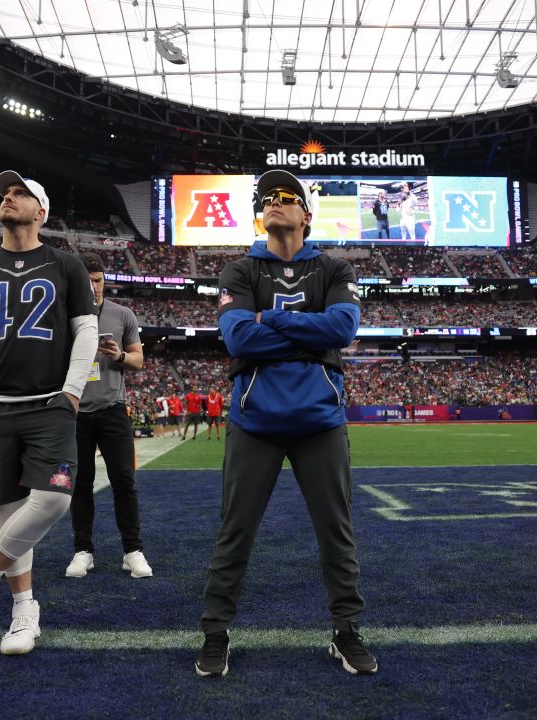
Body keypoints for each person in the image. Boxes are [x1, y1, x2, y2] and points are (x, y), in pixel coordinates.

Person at [196, 170, 376, 677]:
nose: (274, 203)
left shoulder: (335, 268)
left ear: (306, 214)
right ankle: (215, 633)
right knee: (235, 532)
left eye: (285, 197)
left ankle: (346, 631)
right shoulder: (239, 270)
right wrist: (310, 335)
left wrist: (270, 320)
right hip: (255, 420)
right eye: (267, 199)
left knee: (336, 533)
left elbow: (343, 328)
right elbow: (238, 341)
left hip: (320, 420)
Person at [0, 170, 98, 655]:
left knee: (52, 499)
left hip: (47, 402)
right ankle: (23, 613)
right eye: (7, 194)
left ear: (42, 211)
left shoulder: (66, 265)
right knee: (8, 514)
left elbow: (85, 332)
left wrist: (72, 392)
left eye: (21, 193)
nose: (10, 198)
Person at [64, 253, 152, 580]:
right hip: (76, 411)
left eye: (98, 280)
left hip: (113, 409)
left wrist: (119, 355)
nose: (94, 287)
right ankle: (82, 550)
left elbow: (138, 360)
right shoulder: (66, 314)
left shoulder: (121, 314)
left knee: (124, 482)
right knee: (80, 484)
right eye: (87, 281)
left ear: (105, 280)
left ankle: (133, 550)